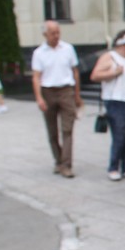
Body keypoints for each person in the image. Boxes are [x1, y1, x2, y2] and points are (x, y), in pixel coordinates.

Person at [90, 29, 125, 180]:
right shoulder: (110, 57)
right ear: (120, 44)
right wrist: (113, 73)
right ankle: (113, 167)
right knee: (120, 135)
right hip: (117, 102)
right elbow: (95, 75)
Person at [31, 20, 82, 177]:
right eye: (52, 33)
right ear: (45, 34)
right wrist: (39, 98)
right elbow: (36, 77)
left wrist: (77, 94)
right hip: (48, 91)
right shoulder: (39, 53)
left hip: (66, 90)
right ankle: (58, 160)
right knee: (52, 131)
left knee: (67, 129)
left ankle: (66, 164)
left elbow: (75, 72)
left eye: (58, 32)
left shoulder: (67, 49)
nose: (56, 36)